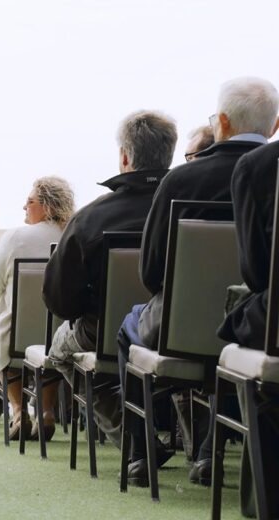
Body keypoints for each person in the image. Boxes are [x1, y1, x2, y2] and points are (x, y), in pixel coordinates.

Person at [115, 78, 274, 486]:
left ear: (221, 122)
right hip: (256, 324)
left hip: (178, 331)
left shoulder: (180, 182)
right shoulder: (268, 171)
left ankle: (140, 452)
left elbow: (151, 273)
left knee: (127, 328)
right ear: (273, 126)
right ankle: (208, 453)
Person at [43, 111, 175, 442]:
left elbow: (60, 299)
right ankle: (200, 450)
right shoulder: (191, 208)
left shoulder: (90, 218)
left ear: (125, 156)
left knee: (59, 352)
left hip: (101, 331)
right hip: (181, 330)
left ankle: (132, 438)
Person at [217, 77, 279, 517]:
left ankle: (264, 500)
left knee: (240, 325)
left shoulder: (260, 168)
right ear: (273, 122)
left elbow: (257, 272)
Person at [0, 176, 74, 441]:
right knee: (53, 341)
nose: (24, 207)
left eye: (29, 202)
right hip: (61, 331)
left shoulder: (15, 237)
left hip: (16, 335)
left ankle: (19, 412)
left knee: (0, 332)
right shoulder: (72, 234)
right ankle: (45, 412)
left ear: (47, 205)